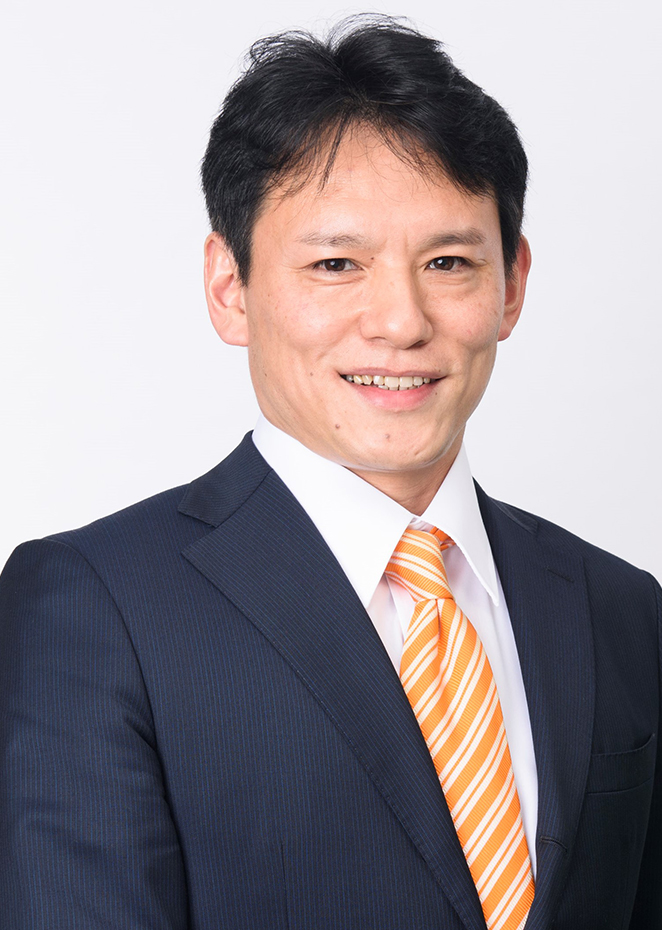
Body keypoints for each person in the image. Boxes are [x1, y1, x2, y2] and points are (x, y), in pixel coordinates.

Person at [0, 16, 660, 930]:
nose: (401, 321)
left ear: (511, 283)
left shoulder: (622, 610)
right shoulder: (95, 606)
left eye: (449, 262)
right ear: (230, 287)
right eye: (336, 263)